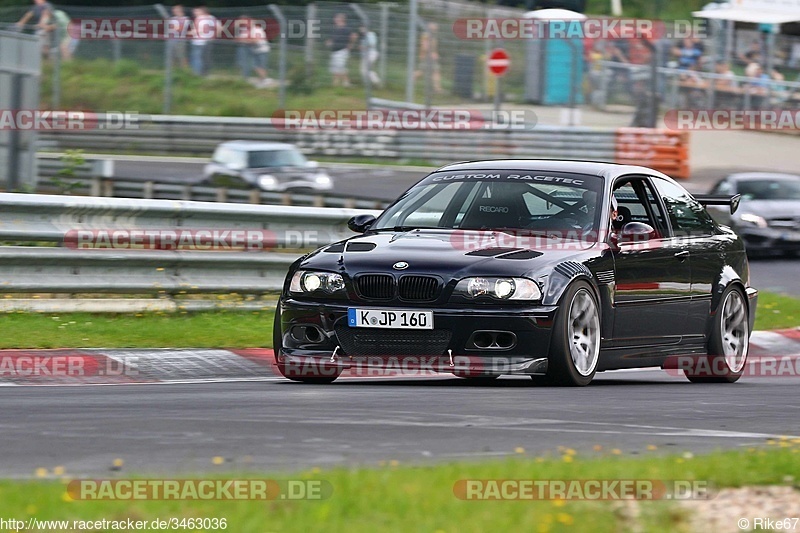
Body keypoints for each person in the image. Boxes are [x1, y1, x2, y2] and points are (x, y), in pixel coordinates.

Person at [236, 15, 272, 88]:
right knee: (257, 66)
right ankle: (263, 79)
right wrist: (246, 39)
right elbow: (238, 39)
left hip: (262, 50)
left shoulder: (257, 30)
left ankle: (264, 80)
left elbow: (256, 40)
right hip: (255, 50)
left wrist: (246, 40)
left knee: (260, 66)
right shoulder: (246, 31)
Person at [326, 13, 356, 87]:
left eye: (336, 18)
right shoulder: (335, 29)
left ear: (341, 19)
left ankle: (347, 83)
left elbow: (354, 36)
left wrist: (351, 44)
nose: (334, 20)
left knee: (341, 67)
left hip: (342, 51)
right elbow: (333, 39)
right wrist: (329, 42)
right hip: (334, 51)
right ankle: (335, 84)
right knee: (335, 68)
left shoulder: (346, 29)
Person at [414, 22, 442, 93]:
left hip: (430, 57)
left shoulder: (432, 35)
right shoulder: (426, 35)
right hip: (427, 57)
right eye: (434, 26)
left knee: (434, 72)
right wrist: (431, 53)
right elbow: (424, 47)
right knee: (423, 72)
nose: (436, 27)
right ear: (430, 26)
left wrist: (435, 53)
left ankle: (437, 88)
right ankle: (437, 88)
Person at [191, 5, 217, 76]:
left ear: (201, 11)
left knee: (197, 58)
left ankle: (197, 73)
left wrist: (191, 32)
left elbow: (197, 30)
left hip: (198, 41)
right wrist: (214, 36)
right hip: (208, 41)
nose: (194, 12)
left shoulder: (199, 18)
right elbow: (219, 28)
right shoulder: (212, 18)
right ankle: (205, 73)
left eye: (196, 11)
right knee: (206, 58)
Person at [166, 4, 190, 69]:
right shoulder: (172, 19)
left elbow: (181, 29)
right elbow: (169, 29)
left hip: (180, 40)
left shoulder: (186, 19)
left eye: (175, 9)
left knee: (181, 55)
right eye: (173, 10)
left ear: (180, 10)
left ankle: (184, 69)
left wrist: (174, 27)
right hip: (172, 40)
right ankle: (173, 70)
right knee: (171, 56)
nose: (173, 11)